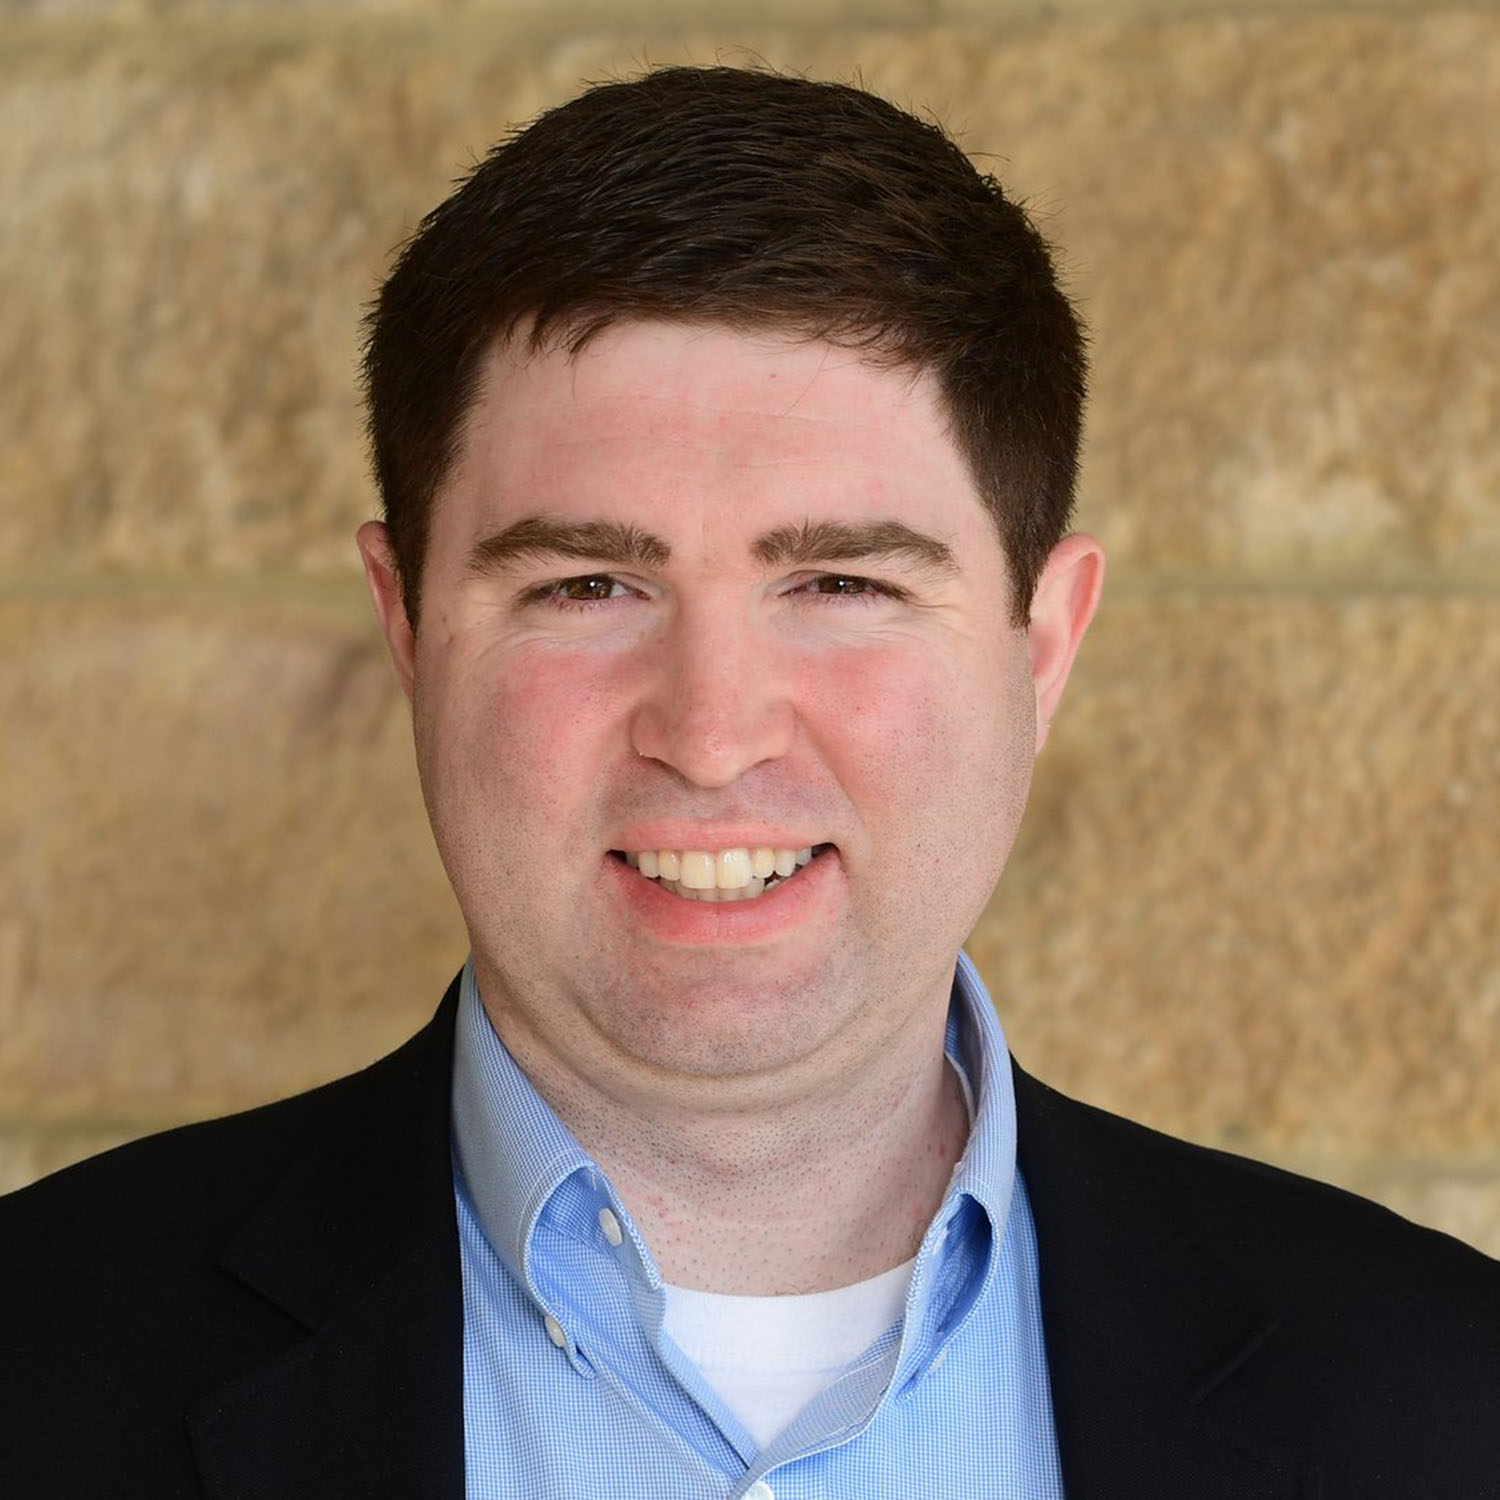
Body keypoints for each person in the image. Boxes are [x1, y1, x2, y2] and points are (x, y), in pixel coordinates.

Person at [2, 65, 1496, 1500]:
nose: (711, 735)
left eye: (840, 581)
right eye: (588, 587)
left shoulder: (1447, 1397)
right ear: (408, 631)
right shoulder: (37, 1370)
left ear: (1042, 643)